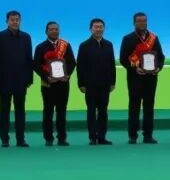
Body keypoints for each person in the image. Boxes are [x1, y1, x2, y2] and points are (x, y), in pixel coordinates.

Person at [0, 10, 33, 147]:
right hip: (3, 79)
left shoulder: (26, 37)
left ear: (20, 21)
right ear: (7, 21)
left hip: (21, 80)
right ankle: (4, 139)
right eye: (12, 20)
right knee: (4, 110)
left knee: (20, 110)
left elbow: (29, 59)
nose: (15, 22)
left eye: (17, 20)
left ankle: (21, 139)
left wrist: (29, 78)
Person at [119, 12, 163, 144]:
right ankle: (132, 136)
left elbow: (161, 57)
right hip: (135, 78)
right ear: (134, 23)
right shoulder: (128, 39)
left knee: (149, 107)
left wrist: (158, 67)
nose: (142, 23)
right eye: (139, 21)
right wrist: (134, 68)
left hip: (151, 78)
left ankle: (148, 135)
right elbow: (123, 59)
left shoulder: (154, 38)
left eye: (144, 21)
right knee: (134, 106)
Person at [34, 21, 75, 146]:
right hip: (48, 84)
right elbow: (36, 65)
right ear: (46, 31)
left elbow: (72, 63)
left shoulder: (66, 45)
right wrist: (46, 77)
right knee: (48, 112)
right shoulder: (40, 47)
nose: (54, 31)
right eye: (51, 29)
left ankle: (62, 138)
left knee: (62, 112)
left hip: (63, 83)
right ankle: (48, 138)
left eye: (56, 29)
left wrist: (67, 75)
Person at [76, 18, 115, 146]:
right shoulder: (84, 45)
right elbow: (80, 66)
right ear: (90, 29)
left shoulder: (109, 44)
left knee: (103, 111)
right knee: (91, 111)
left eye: (101, 27)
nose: (99, 29)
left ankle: (102, 137)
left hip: (105, 84)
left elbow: (112, 64)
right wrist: (81, 83)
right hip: (90, 85)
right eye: (96, 27)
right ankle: (92, 137)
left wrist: (112, 82)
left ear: (104, 28)